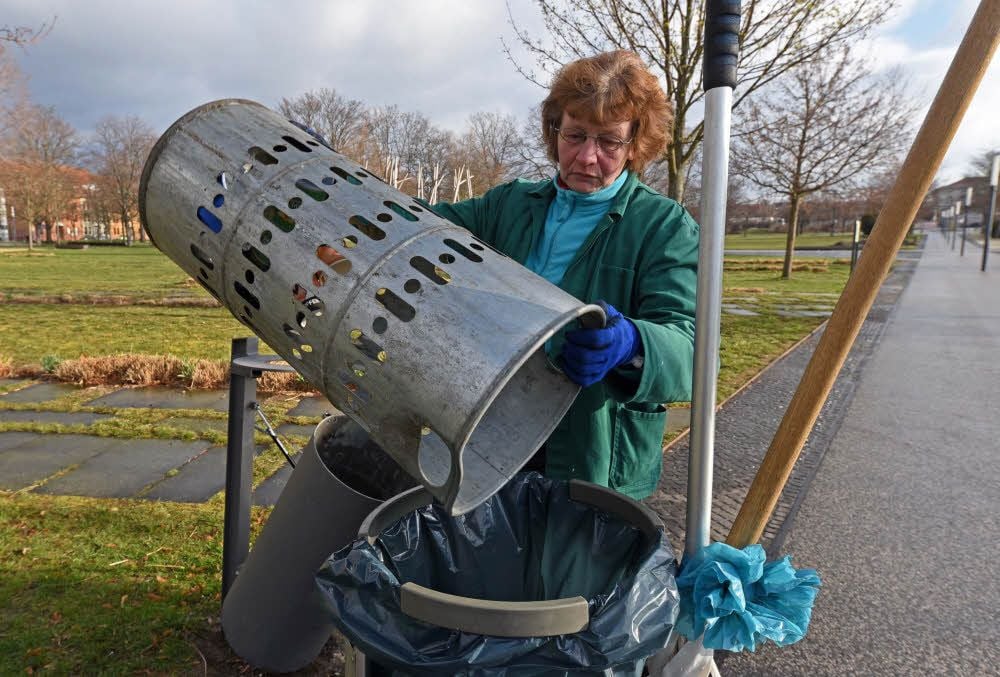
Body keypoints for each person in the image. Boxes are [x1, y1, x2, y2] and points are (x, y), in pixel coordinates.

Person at [433, 50, 698, 500]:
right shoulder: (508, 206)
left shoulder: (663, 227)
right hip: (490, 432)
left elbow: (691, 352)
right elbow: (417, 224)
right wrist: (335, 177)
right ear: (555, 131)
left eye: (609, 142)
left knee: (566, 568)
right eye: (575, 135)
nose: (587, 157)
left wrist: (633, 343)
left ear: (635, 144)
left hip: (590, 452)